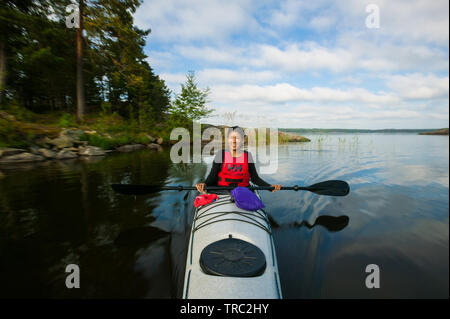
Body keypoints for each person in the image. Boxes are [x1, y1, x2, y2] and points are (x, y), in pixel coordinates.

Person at [196, 126, 282, 193]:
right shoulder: (220, 155)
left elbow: (255, 179)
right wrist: (204, 184)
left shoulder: (248, 156)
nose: (234, 141)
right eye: (231, 138)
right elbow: (212, 177)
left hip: (243, 191)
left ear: (242, 140)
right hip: (221, 191)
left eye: (237, 138)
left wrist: (270, 187)